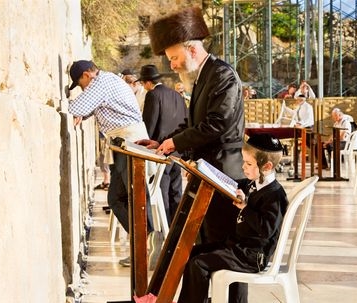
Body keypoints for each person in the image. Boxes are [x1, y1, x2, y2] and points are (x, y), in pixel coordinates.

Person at [141, 6, 245, 246]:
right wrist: (163, 143)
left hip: (223, 170)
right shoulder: (202, 77)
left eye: (174, 58)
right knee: (204, 242)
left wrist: (175, 142)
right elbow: (193, 123)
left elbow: (217, 123)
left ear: (192, 49)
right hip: (208, 169)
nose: (173, 66)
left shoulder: (222, 75)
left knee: (221, 243)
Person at [176, 134, 289, 303]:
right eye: (244, 162)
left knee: (199, 264)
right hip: (239, 247)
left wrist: (245, 208)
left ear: (267, 166)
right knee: (194, 252)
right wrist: (208, 175)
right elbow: (235, 185)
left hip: (253, 256)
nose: (243, 167)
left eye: (249, 164)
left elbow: (266, 229)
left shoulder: (275, 195)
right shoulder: (256, 183)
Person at [67, 60, 158, 267]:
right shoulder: (108, 82)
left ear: (86, 75)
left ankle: (152, 243)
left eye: (81, 85)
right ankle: (144, 243)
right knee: (116, 198)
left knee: (136, 196)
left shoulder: (102, 82)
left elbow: (76, 106)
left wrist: (76, 109)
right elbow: (95, 107)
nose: (83, 89)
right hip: (123, 143)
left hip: (130, 142)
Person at [137, 64, 188, 224]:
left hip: (160, 151)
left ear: (147, 82)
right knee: (176, 191)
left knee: (162, 190)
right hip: (177, 149)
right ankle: (176, 227)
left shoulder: (153, 95)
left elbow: (149, 124)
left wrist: (145, 145)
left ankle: (165, 229)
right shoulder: (177, 95)